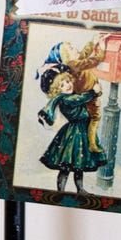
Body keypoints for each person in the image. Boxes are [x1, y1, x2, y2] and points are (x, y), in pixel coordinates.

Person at [37, 65, 107, 194]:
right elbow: (79, 98)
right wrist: (93, 91)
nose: (67, 85)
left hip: (82, 131)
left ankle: (80, 189)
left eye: (68, 81)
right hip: (73, 133)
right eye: (62, 85)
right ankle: (61, 191)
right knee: (66, 166)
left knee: (78, 166)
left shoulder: (72, 96)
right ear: (57, 90)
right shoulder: (66, 99)